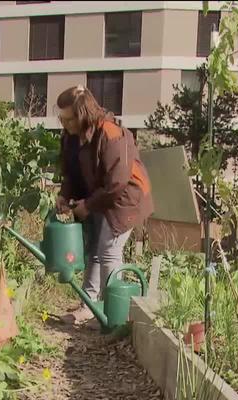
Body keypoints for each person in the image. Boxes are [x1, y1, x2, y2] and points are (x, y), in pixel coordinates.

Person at [55, 85, 154, 325]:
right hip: (102, 196)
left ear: (83, 114)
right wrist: (64, 195)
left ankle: (112, 315)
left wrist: (88, 206)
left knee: (109, 250)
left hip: (126, 198)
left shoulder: (111, 134)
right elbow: (71, 172)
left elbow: (117, 182)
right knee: (95, 251)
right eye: (62, 118)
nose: (64, 123)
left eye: (69, 118)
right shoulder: (71, 137)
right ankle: (90, 306)